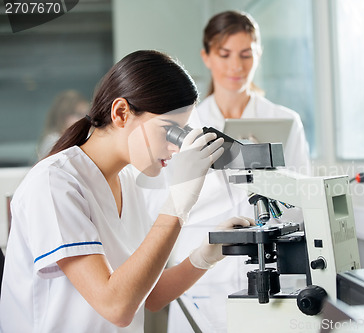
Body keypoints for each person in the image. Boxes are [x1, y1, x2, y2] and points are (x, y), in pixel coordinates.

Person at [0, 50, 255, 333]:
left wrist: (205, 254)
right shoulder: (55, 183)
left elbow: (149, 295)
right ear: (121, 113)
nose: (176, 146)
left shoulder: (129, 181)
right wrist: (178, 204)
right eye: (169, 130)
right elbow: (117, 307)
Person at [159, 10, 312, 332]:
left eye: (246, 54)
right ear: (207, 56)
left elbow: (302, 201)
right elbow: (167, 201)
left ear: (258, 55)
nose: (235, 66)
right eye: (224, 54)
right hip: (200, 272)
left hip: (269, 268)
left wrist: (267, 168)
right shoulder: (186, 124)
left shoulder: (284, 121)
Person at [37, 89, 90, 159]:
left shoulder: (84, 137)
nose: (84, 119)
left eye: (86, 114)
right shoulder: (53, 141)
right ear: (64, 116)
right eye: (79, 114)